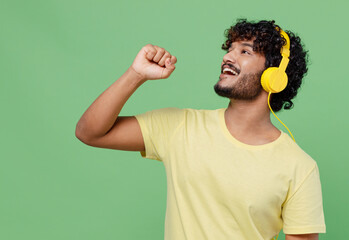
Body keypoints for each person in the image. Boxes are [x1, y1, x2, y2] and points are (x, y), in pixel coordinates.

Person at [75, 19, 326, 240]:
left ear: (274, 76)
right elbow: (90, 132)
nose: (228, 56)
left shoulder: (300, 167)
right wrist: (136, 74)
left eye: (245, 51)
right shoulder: (179, 126)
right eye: (230, 49)